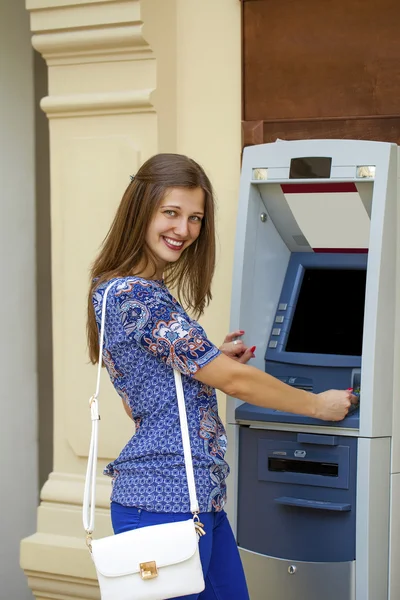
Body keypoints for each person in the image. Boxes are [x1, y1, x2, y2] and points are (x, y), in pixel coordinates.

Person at [87, 153, 356, 600]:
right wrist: (316, 405)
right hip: (161, 501)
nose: (184, 230)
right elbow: (234, 383)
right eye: (170, 213)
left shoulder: (114, 286)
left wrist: (210, 360)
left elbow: (141, 392)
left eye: (195, 218)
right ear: (141, 208)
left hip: (195, 499)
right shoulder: (139, 296)